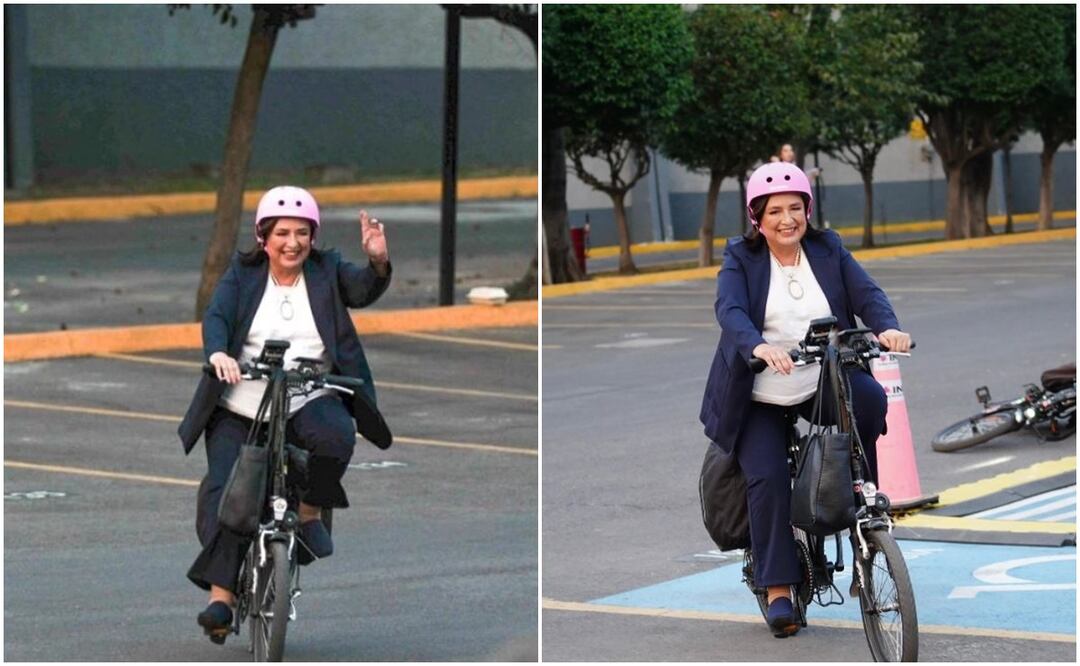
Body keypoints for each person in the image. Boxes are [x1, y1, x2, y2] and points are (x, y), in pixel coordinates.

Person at [699, 162, 910, 638]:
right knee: (767, 476)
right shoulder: (740, 257)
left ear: (808, 211)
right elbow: (729, 309)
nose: (786, 219)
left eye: (795, 208)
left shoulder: (827, 247)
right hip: (759, 390)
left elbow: (866, 293)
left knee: (870, 401)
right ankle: (777, 585)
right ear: (757, 217)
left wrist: (888, 326)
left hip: (823, 379)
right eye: (775, 211)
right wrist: (758, 345)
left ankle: (865, 513)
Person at [177, 185, 392, 641]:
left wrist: (376, 261)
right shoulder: (243, 274)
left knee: (336, 435)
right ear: (263, 238)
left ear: (313, 237)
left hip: (306, 395)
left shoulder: (327, 270)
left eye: (301, 233)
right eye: (281, 233)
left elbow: (361, 288)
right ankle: (221, 598)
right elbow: (217, 316)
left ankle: (310, 512)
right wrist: (219, 353)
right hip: (242, 403)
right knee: (229, 493)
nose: (292, 243)